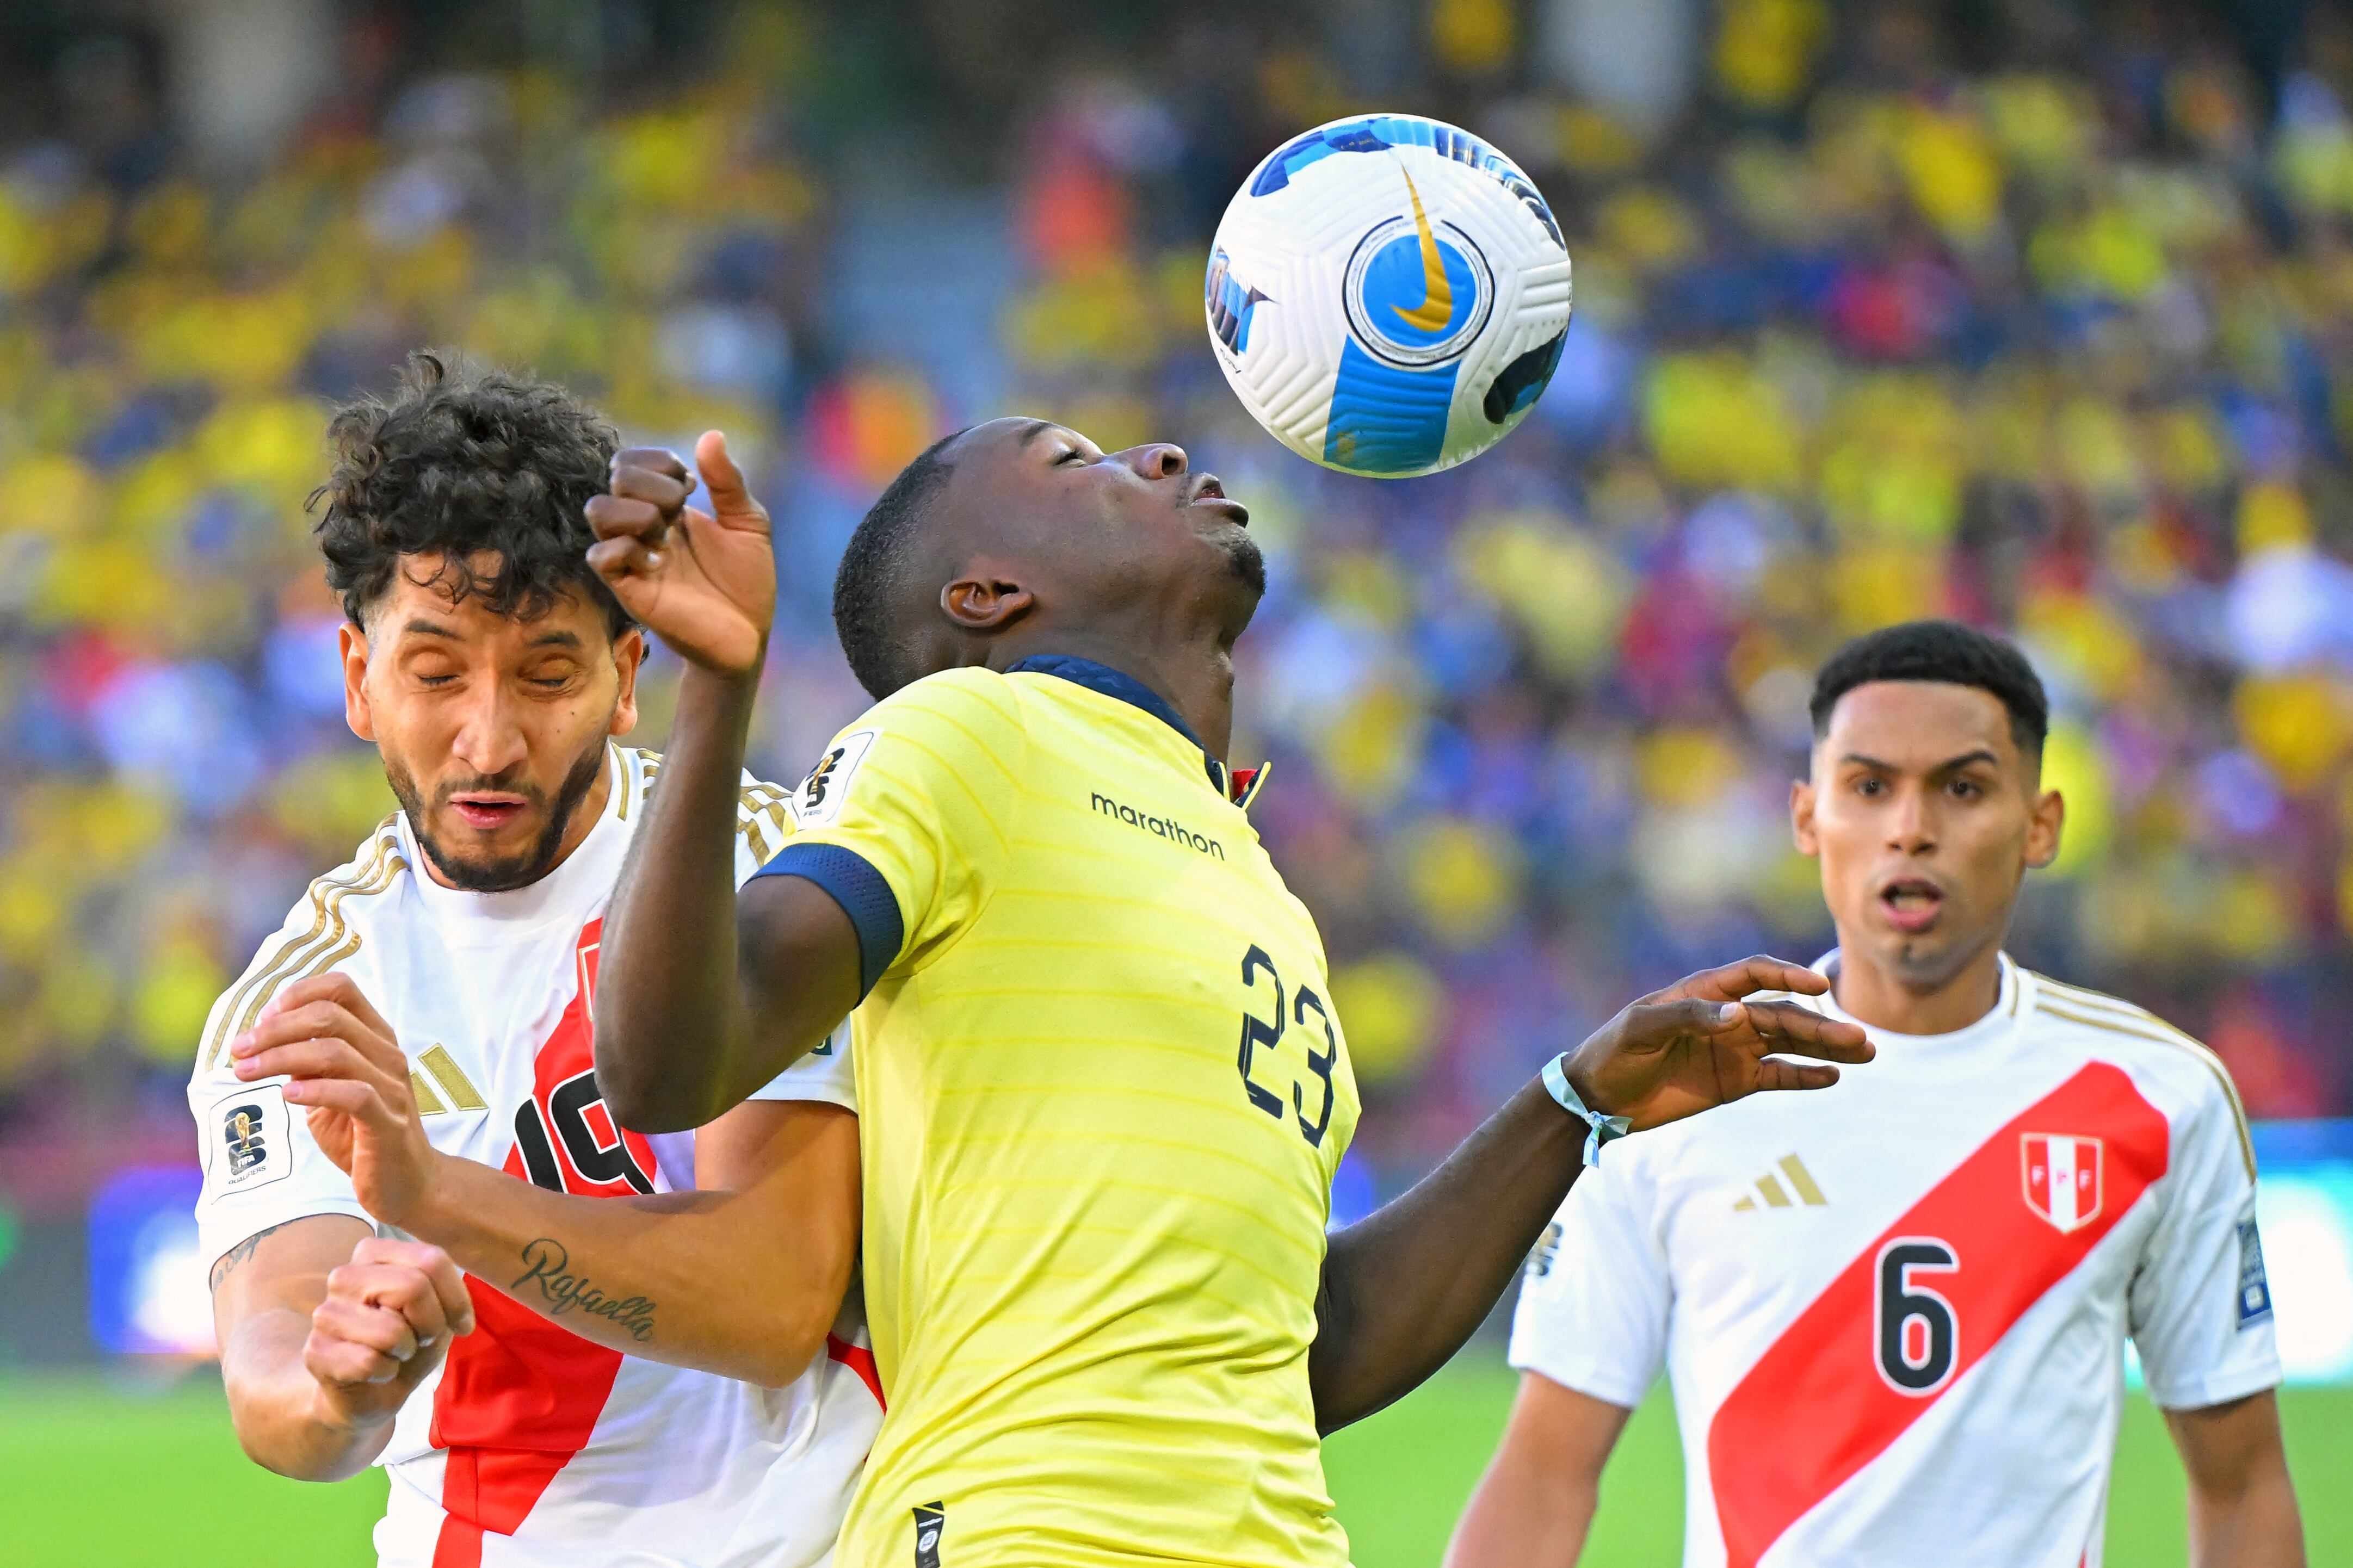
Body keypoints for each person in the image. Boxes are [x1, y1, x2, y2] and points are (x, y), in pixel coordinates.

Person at [574, 416, 1874, 1568]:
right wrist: (722, 690)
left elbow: (1307, 1340)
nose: (1163, 456)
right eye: (1074, 464)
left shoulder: (1252, 875)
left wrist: (1572, 1104)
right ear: (988, 595)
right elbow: (671, 1063)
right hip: (1029, 1529)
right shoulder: (971, 733)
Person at [191, 354, 879, 1568]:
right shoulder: (305, 994)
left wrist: (433, 1194)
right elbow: (276, 1378)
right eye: (436, 673)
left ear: (625, 680)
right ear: (360, 680)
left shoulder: (777, 872)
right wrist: (343, 1383)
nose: (491, 738)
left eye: (549, 673)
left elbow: (778, 1300)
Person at [1448, 620, 2306, 1568]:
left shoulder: (2161, 1094)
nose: (1910, 827)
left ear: (2040, 824)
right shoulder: (1672, 1092)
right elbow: (1543, 1473)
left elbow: (2242, 1485)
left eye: (1963, 788)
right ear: (1808, 819)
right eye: (1868, 787)